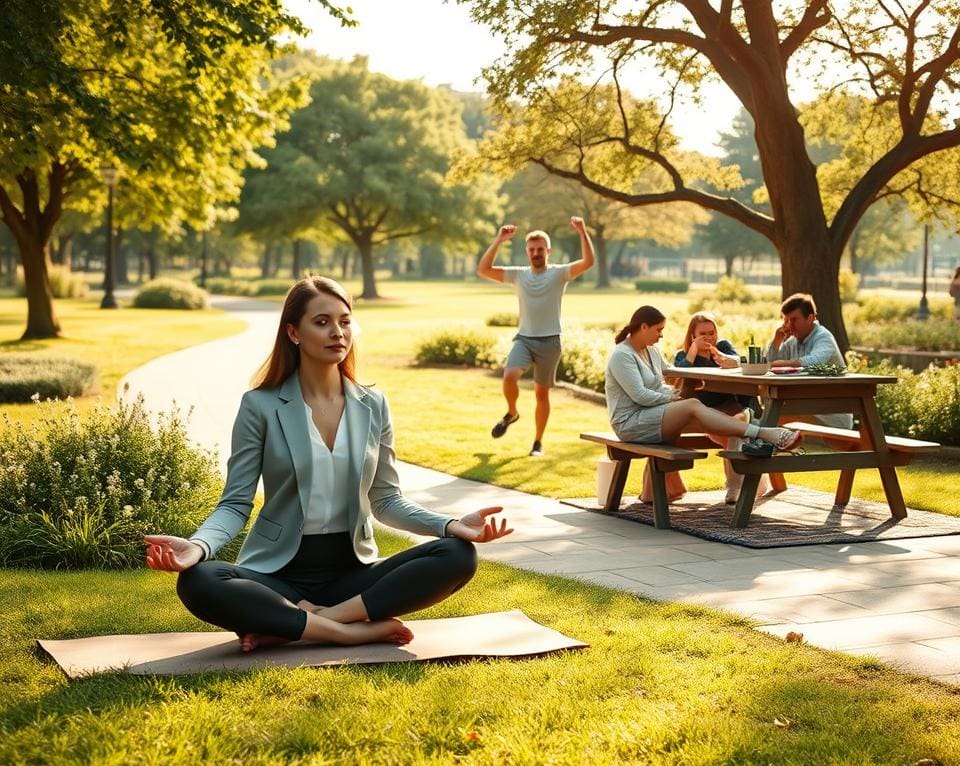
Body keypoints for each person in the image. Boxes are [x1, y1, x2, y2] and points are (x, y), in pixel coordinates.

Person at [145, 276, 512, 653]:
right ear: (294, 332)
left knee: (456, 554)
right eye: (321, 322)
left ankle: (310, 622)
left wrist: (449, 525)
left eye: (345, 321)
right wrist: (199, 546)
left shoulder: (373, 404)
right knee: (198, 580)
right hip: (276, 575)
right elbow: (236, 504)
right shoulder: (260, 406)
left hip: (351, 575)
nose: (337, 332)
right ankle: (351, 631)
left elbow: (386, 500)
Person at [605, 306, 801, 502]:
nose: (661, 335)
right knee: (692, 406)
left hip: (655, 414)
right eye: (658, 330)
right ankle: (765, 433)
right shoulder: (622, 355)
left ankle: (758, 457)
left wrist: (679, 389)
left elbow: (672, 372)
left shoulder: (651, 351)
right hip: (630, 422)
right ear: (644, 327)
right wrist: (673, 397)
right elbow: (640, 396)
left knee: (724, 423)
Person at [477, 217, 595, 457]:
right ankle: (512, 412)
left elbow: (589, 262)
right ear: (527, 252)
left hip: (550, 341)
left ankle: (537, 443)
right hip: (525, 338)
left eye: (540, 249)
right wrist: (499, 240)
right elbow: (483, 269)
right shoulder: (518, 275)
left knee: (542, 394)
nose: (536, 253)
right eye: (532, 249)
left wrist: (582, 232)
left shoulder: (559, 274)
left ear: (548, 251)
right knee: (509, 376)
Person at [673, 312, 766, 504]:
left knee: (735, 428)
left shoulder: (723, 346)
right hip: (703, 410)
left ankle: (734, 487)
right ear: (692, 336)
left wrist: (721, 356)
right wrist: (693, 350)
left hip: (733, 406)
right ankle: (755, 482)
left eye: (712, 332)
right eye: (703, 334)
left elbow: (739, 361)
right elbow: (679, 375)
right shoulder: (684, 355)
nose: (709, 337)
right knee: (735, 432)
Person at [765, 292, 853, 430]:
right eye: (786, 320)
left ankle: (757, 444)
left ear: (810, 318)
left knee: (772, 417)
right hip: (807, 410)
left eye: (794, 320)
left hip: (831, 419)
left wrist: (785, 363)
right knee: (769, 410)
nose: (789, 326)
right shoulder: (792, 342)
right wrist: (777, 341)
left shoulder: (823, 337)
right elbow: (769, 364)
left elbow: (815, 361)